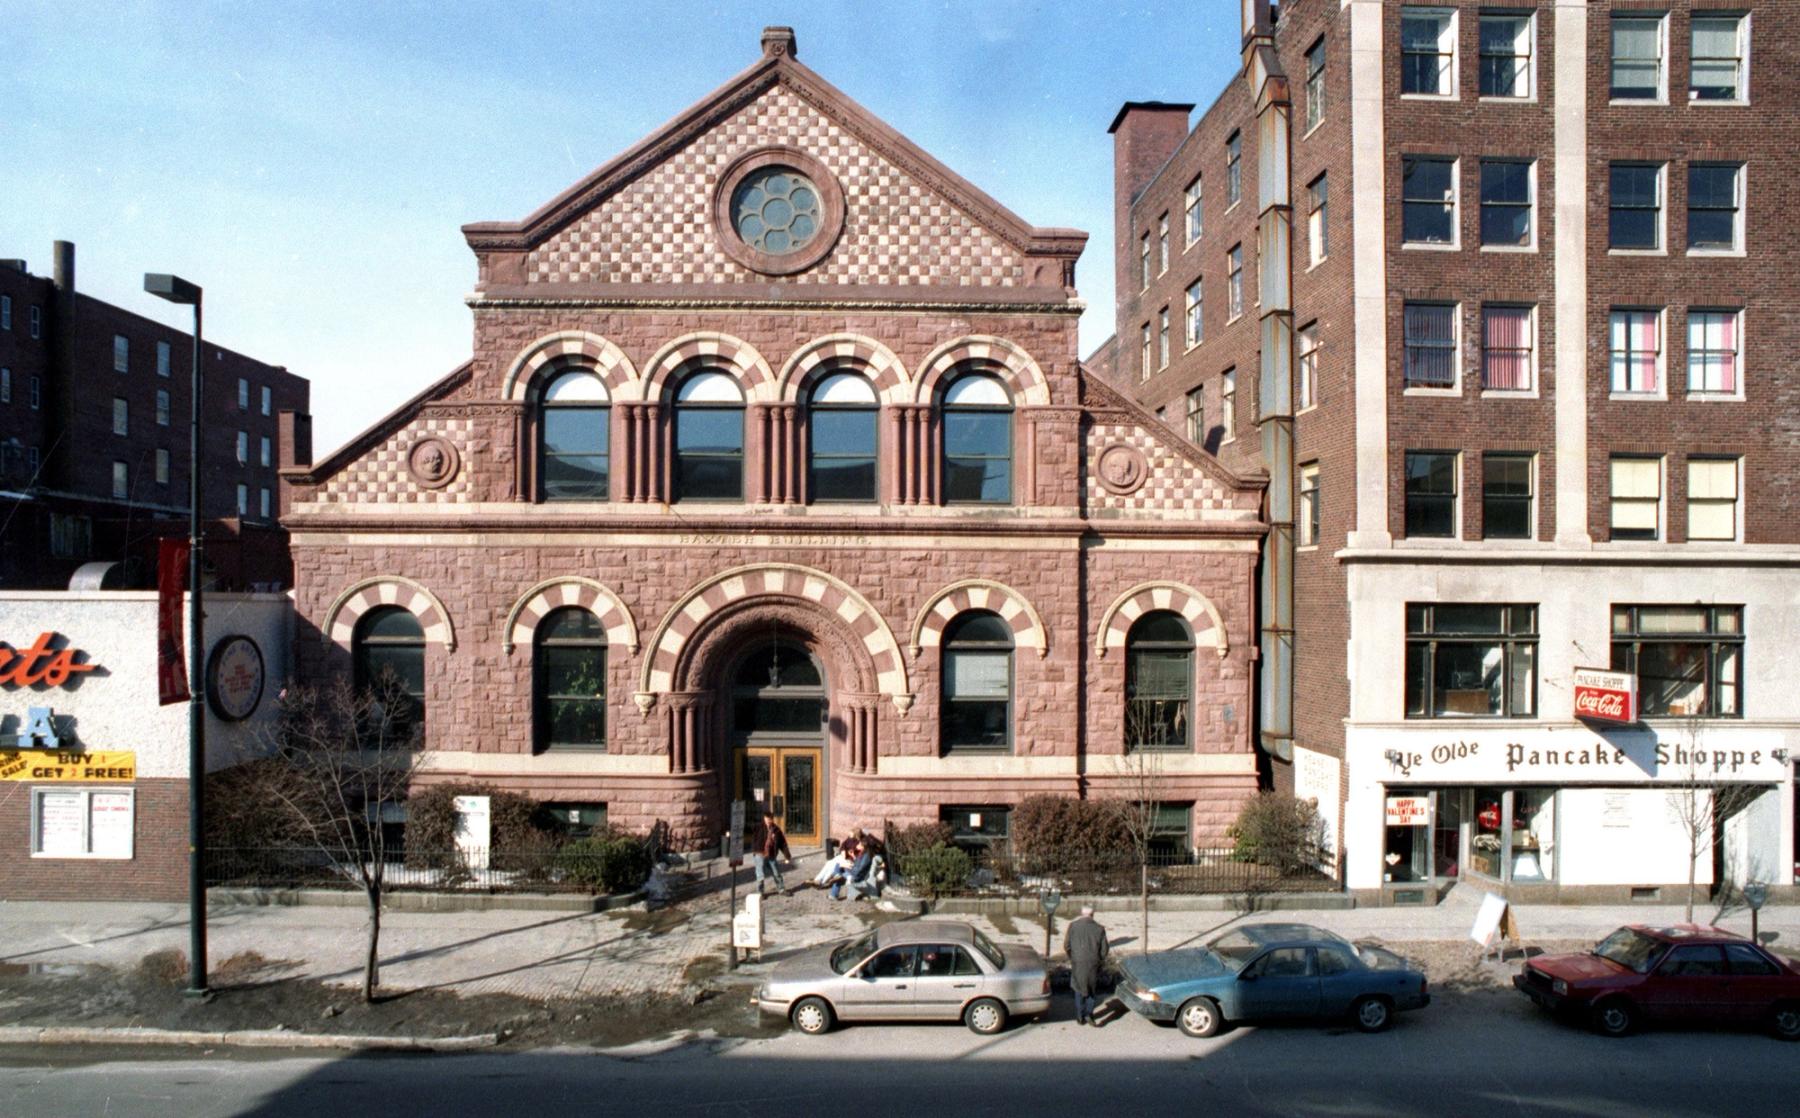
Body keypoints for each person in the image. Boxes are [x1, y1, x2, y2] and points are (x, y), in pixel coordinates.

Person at [1063, 905, 1109, 1025]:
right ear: (1092, 914)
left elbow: (1066, 945)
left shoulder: (1073, 926)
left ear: (1082, 914)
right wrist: (1100, 960)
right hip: (1093, 962)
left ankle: (1080, 1015)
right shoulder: (1099, 928)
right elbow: (1104, 950)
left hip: (1077, 962)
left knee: (1078, 988)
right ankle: (1089, 1013)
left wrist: (1072, 957)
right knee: (1091, 989)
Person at [752, 811, 790, 895]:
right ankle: (760, 892)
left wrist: (787, 856)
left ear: (772, 819)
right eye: (767, 819)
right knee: (760, 873)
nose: (768, 821)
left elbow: (783, 843)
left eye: (770, 819)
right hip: (759, 852)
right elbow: (751, 831)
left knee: (776, 872)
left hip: (771, 853)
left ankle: (781, 889)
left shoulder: (776, 830)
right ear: (764, 818)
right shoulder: (758, 827)